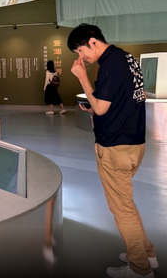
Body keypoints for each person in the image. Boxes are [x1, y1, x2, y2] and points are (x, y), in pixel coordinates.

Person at [68, 23, 158, 278]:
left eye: (81, 51)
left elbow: (101, 108)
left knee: (121, 209)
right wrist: (95, 104)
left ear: (93, 41)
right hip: (133, 142)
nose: (82, 57)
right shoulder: (126, 58)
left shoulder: (109, 65)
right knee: (125, 203)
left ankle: (140, 269)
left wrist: (82, 77)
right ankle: (147, 254)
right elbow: (120, 99)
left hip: (116, 147)